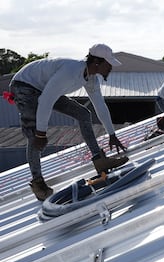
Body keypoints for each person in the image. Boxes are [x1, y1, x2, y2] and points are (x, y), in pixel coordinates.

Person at [10, 43, 128, 201]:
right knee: (34, 135)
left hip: (44, 87)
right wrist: (41, 133)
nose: (110, 68)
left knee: (83, 114)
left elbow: (100, 105)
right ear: (97, 62)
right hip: (24, 85)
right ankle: (38, 183)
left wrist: (111, 134)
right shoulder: (70, 71)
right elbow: (46, 100)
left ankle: (99, 160)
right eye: (108, 64)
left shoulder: (91, 79)